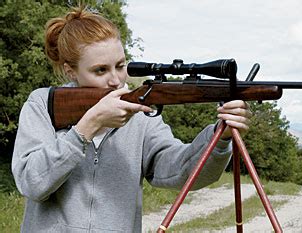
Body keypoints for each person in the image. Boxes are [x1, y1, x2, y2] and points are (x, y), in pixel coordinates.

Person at [11, 5, 252, 232]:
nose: (116, 80)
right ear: (70, 70)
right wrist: (87, 127)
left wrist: (220, 137)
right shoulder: (43, 104)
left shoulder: (140, 112)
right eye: (100, 70)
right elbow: (32, 183)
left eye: (120, 65)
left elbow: (181, 171)